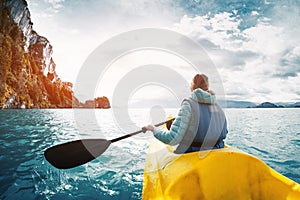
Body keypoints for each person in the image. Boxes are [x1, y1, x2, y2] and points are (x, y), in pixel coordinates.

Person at [144, 74, 228, 153]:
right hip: (218, 150)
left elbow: (172, 139)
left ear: (193, 86)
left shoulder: (188, 105)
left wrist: (153, 129)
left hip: (194, 153)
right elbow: (225, 131)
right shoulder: (217, 106)